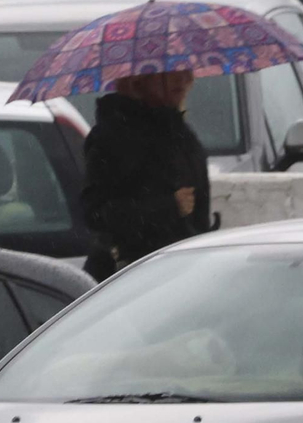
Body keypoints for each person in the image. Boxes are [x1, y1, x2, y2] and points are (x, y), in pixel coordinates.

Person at [82, 68, 211, 281]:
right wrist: (168, 207)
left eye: (187, 70)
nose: (184, 79)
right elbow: (97, 214)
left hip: (183, 273)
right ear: (140, 78)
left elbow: (199, 213)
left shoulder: (184, 137)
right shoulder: (112, 137)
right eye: (171, 71)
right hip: (130, 278)